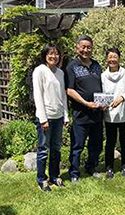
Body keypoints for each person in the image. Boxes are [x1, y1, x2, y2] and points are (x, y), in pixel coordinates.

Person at [65, 35, 103, 183]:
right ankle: (74, 173)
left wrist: (104, 102)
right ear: (77, 48)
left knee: (96, 144)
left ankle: (90, 167)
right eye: (83, 47)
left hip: (97, 113)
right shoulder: (72, 66)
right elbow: (69, 90)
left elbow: (101, 87)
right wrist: (86, 103)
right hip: (81, 114)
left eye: (89, 47)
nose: (86, 50)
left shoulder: (96, 65)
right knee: (77, 146)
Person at [33, 43, 69, 191]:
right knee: (43, 150)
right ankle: (42, 179)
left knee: (56, 149)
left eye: (56, 54)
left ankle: (54, 176)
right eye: (50, 54)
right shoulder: (40, 71)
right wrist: (43, 119)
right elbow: (38, 96)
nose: (54, 56)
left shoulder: (60, 73)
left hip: (59, 117)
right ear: (45, 55)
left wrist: (66, 116)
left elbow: (63, 96)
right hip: (46, 117)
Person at [101, 48, 125, 178]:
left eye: (115, 57)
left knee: (124, 140)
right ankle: (109, 167)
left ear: (119, 58)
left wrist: (122, 98)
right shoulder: (103, 76)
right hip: (110, 115)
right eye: (110, 57)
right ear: (106, 59)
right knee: (110, 142)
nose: (112, 59)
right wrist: (102, 104)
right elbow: (102, 93)